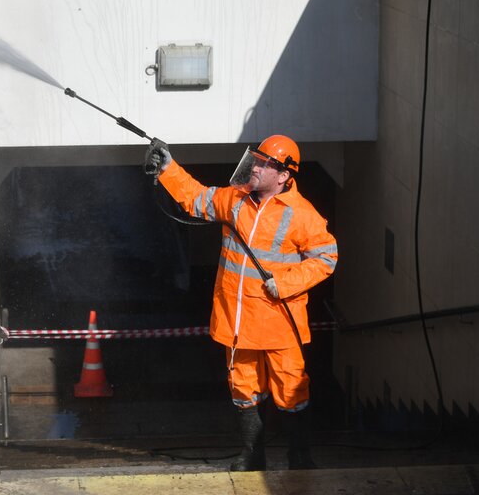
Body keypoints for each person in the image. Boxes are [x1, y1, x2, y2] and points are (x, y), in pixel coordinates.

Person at [145, 135, 338, 471]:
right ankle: (252, 455)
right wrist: (167, 168)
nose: (255, 166)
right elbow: (195, 198)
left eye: (264, 163)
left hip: (279, 325)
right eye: (256, 158)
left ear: (283, 176)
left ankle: (300, 456)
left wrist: (286, 283)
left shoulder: (302, 215)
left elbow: (326, 257)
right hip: (237, 322)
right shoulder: (236, 200)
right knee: (243, 389)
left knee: (291, 391)